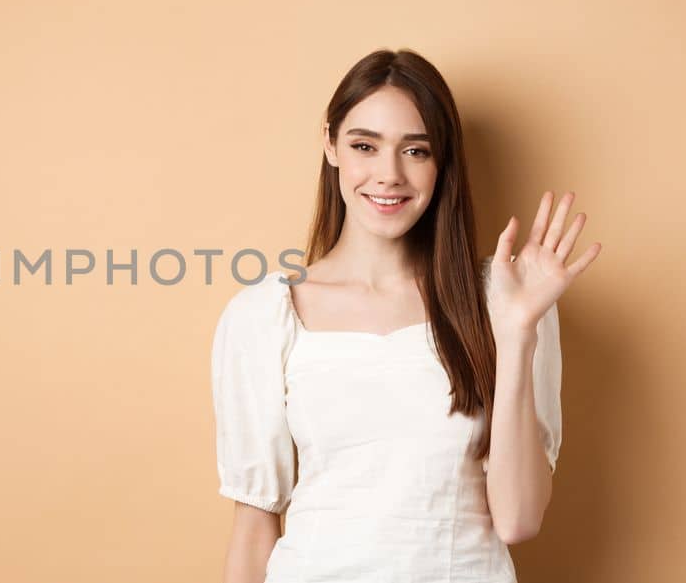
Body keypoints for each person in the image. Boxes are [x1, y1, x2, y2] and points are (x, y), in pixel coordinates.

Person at [210, 48, 602, 583]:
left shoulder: (506, 299)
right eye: (364, 146)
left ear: (443, 164)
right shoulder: (264, 316)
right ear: (330, 145)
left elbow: (518, 519)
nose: (388, 175)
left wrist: (516, 334)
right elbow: (254, 530)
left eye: (415, 150)